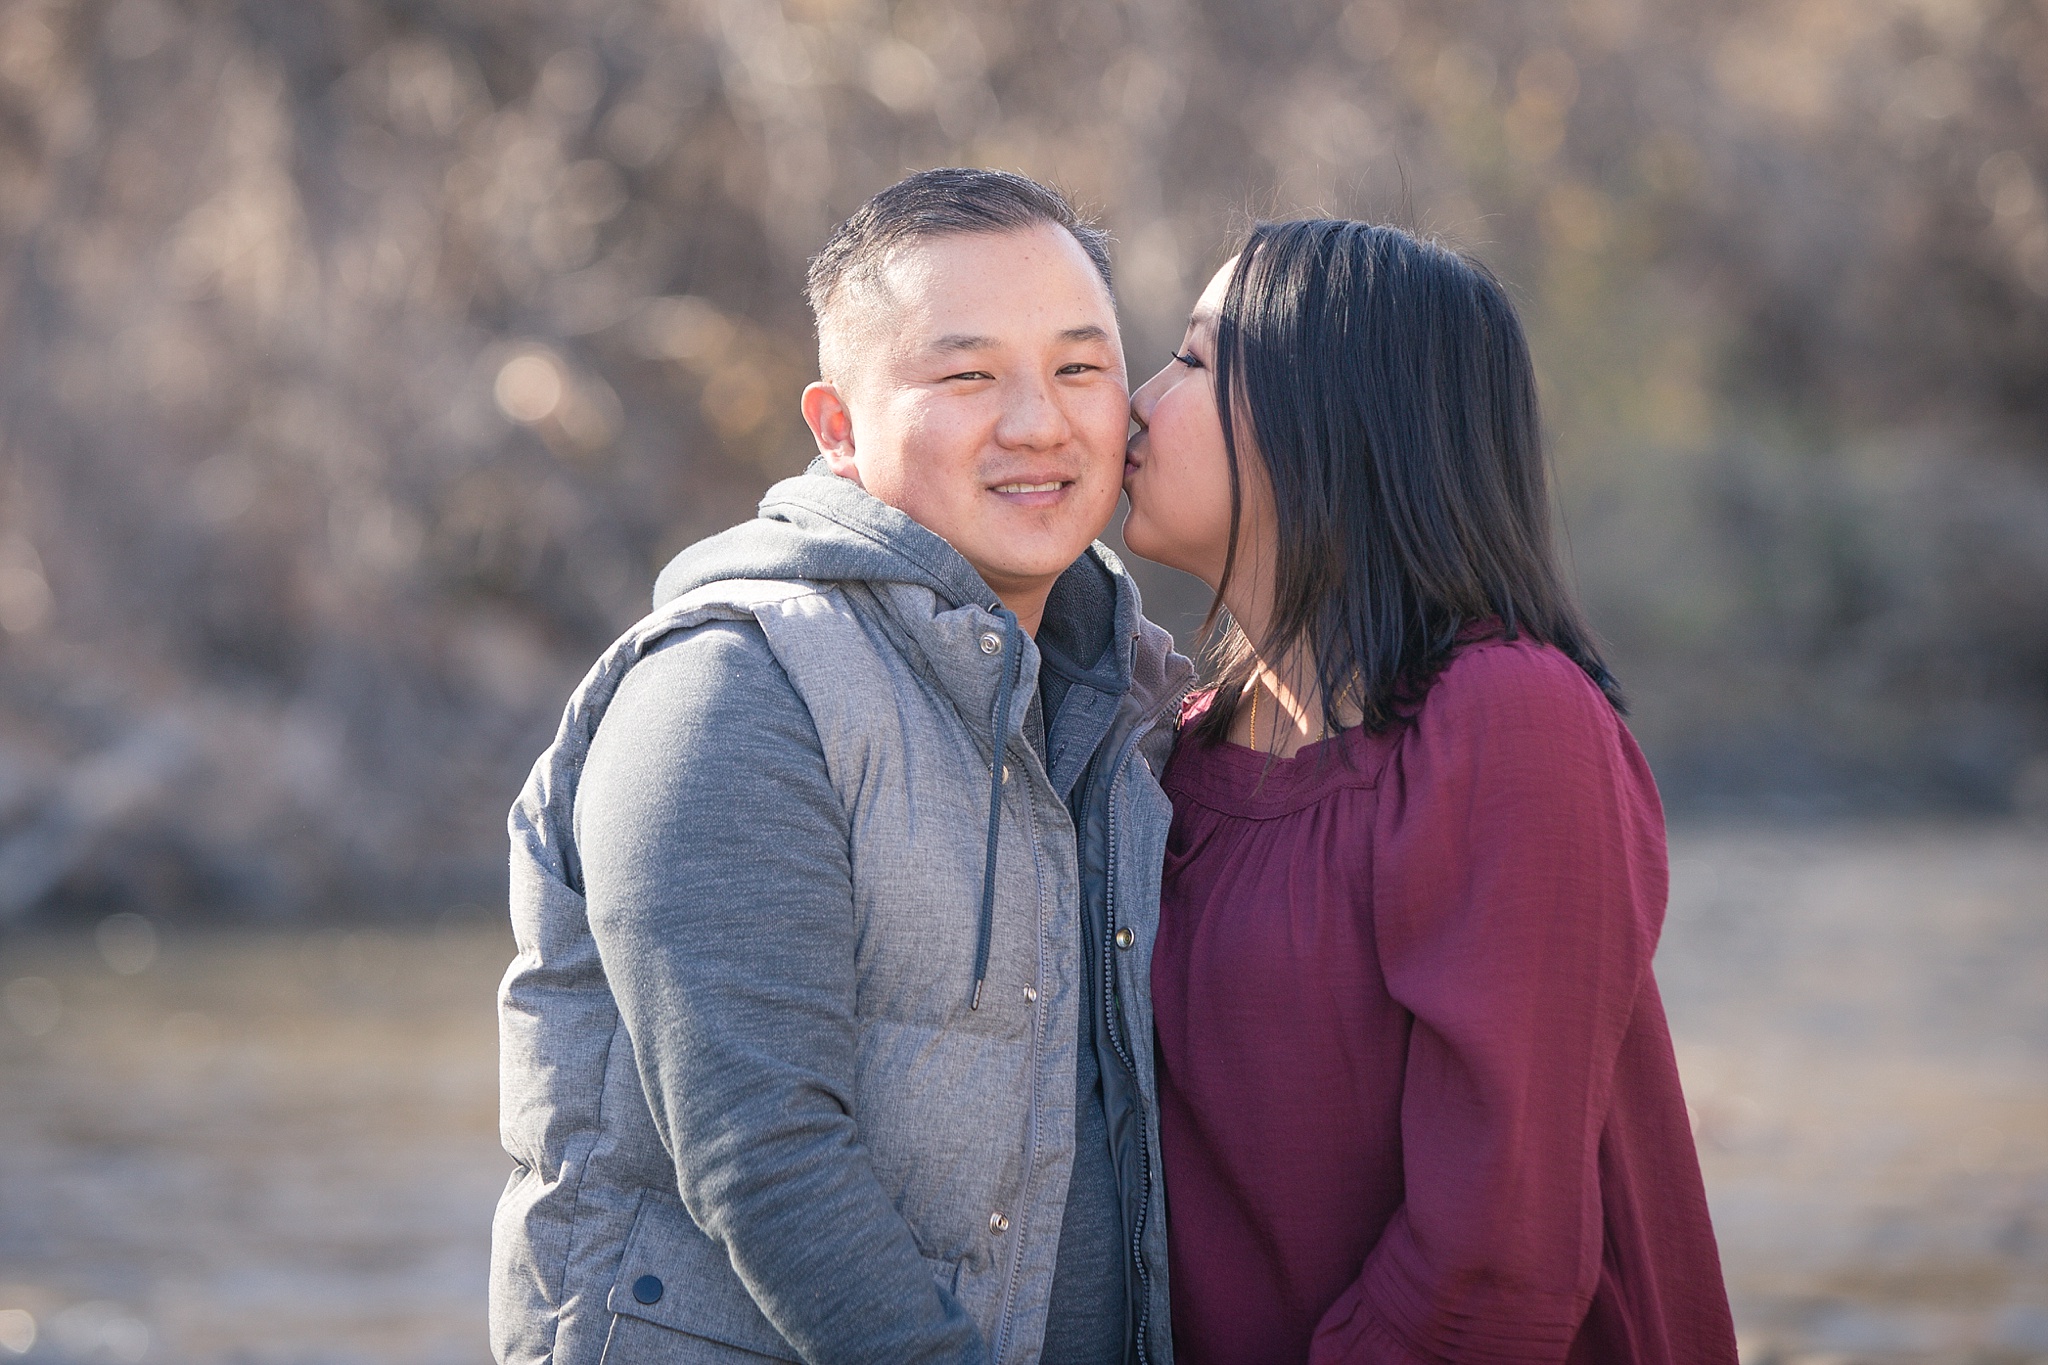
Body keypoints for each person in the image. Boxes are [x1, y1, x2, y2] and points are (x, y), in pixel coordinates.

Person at [491, 168, 1191, 1365]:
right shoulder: (734, 689)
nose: (1037, 421)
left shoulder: (1130, 693)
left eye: (1078, 368)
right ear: (836, 427)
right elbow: (761, 1154)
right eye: (966, 374)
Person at [1122, 220, 1738, 1364]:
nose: (1132, 400)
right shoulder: (1181, 751)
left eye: (1194, 361)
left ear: (1335, 422)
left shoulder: (1508, 722)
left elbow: (1493, 1259)